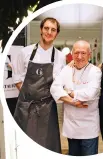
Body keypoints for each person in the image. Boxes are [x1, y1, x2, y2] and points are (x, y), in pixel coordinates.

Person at [12, 17, 66, 153]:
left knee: (48, 146)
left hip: (48, 108)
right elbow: (17, 78)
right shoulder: (25, 52)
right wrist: (29, 96)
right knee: (25, 147)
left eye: (53, 30)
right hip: (26, 108)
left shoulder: (60, 57)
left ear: (56, 34)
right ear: (41, 30)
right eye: (46, 28)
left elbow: (60, 84)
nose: (49, 32)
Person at [50, 40, 102, 156]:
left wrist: (69, 92)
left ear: (89, 54)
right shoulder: (66, 70)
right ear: (72, 54)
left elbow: (90, 94)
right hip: (71, 127)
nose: (79, 57)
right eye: (76, 53)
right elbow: (54, 88)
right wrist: (73, 102)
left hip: (89, 128)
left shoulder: (95, 71)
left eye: (83, 53)